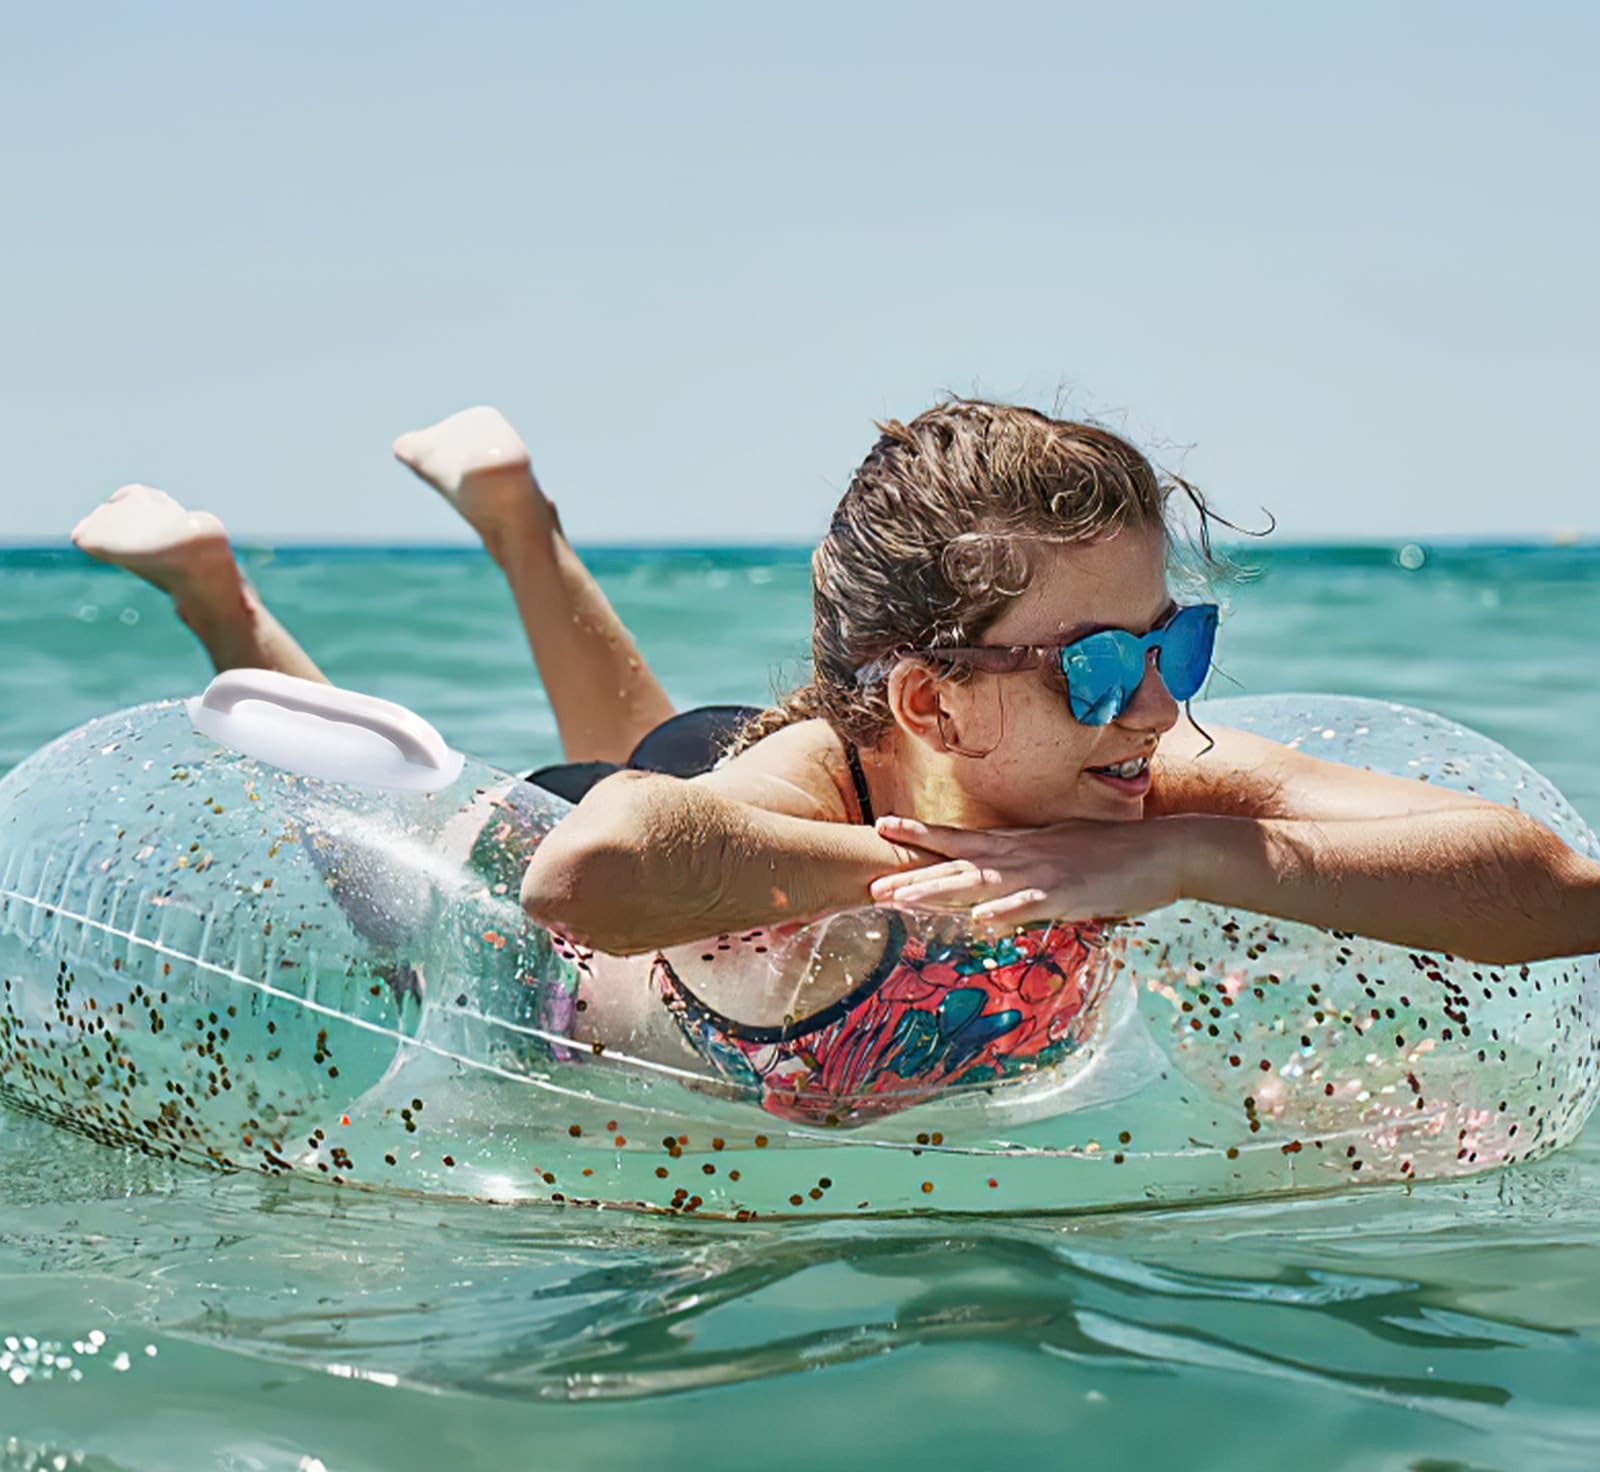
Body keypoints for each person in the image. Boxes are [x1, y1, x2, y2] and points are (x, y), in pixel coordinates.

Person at [69, 400, 1600, 1126]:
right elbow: (584, 871)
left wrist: (1187, 856)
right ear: (932, 703)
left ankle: (516, 512)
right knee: (378, 834)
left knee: (642, 731)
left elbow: (1558, 888)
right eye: (1106, 665)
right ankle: (220, 594)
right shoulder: (798, 797)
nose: (1156, 709)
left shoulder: (1140, 785)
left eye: (1174, 644)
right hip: (572, 925)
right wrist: (944, 876)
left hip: (762, 775)